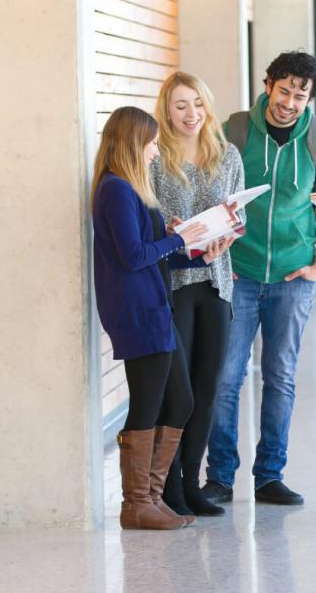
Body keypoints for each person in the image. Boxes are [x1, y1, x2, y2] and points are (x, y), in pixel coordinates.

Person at [203, 52, 316, 506]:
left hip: (293, 274)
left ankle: (269, 475)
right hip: (240, 272)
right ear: (268, 85)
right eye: (283, 91)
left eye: (299, 96)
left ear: (309, 99)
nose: (289, 103)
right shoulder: (236, 131)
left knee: (280, 377)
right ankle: (221, 476)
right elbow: (211, 192)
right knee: (225, 377)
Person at [91, 106, 230, 530]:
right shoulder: (114, 190)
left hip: (153, 305)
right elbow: (133, 257)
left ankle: (150, 497)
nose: (155, 152)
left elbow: (151, 246)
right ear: (134, 143)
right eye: (151, 144)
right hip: (136, 310)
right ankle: (136, 504)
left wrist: (190, 244)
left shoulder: (130, 189)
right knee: (149, 404)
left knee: (181, 400)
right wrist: (175, 237)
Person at [150, 72, 244, 518]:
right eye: (181, 105)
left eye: (197, 104)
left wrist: (230, 236)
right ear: (167, 111)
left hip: (218, 281)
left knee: (208, 387)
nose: (191, 114)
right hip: (175, 286)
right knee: (179, 390)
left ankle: (193, 481)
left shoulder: (227, 155)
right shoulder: (155, 160)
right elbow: (151, 223)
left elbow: (236, 214)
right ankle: (167, 486)